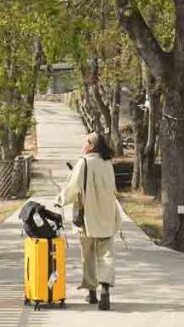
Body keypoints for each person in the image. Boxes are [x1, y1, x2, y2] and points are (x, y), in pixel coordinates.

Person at [56, 132, 121, 310]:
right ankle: (106, 288)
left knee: (88, 255)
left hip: (87, 217)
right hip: (107, 215)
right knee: (106, 253)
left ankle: (92, 293)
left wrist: (60, 200)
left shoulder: (83, 162)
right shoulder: (107, 163)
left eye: (85, 142)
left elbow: (73, 188)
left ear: (91, 145)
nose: (82, 145)